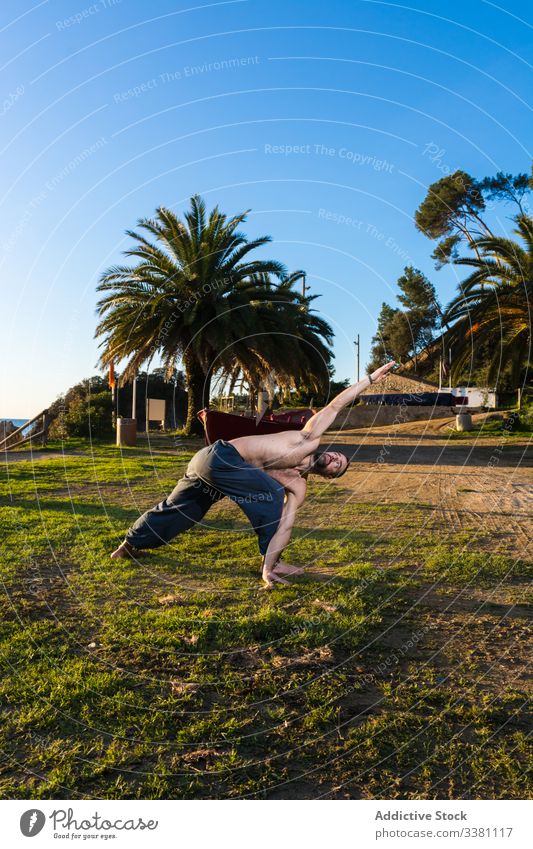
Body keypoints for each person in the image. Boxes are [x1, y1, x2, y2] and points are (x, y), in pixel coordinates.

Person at [111, 362, 396, 586]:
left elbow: (285, 527)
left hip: (216, 474)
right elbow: (336, 405)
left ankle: (131, 545)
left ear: (330, 477)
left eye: (338, 465)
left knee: (185, 511)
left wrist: (269, 566)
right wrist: (370, 379)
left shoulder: (298, 486)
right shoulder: (307, 440)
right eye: (337, 455)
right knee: (270, 495)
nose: (334, 458)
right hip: (218, 455)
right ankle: (130, 543)